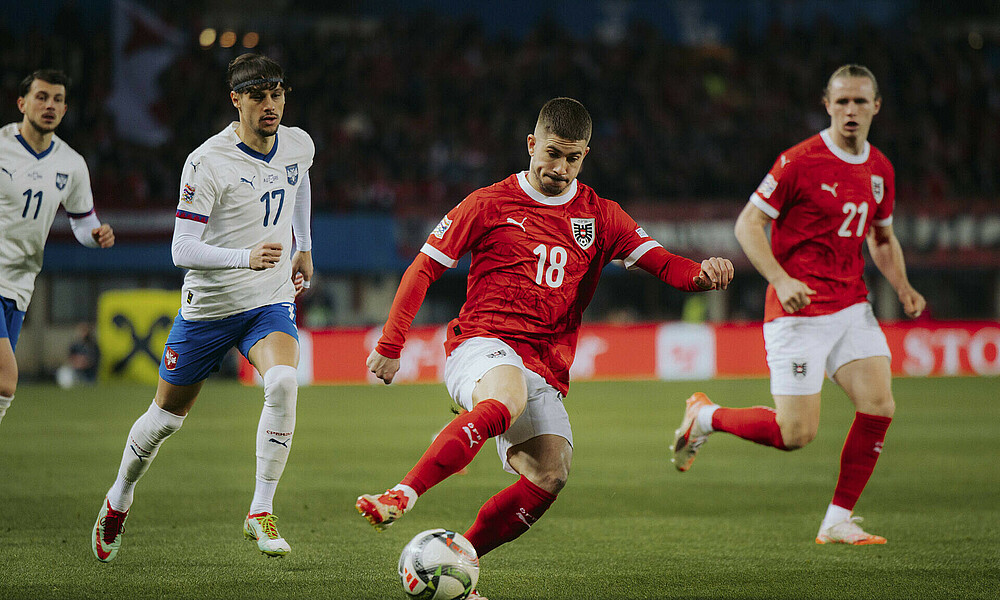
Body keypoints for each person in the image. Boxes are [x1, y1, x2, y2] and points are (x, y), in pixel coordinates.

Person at [357, 97, 734, 597]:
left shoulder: (599, 216)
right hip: (482, 340)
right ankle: (403, 494)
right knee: (506, 398)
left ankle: (454, 563)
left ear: (585, 156)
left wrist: (703, 274)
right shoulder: (489, 203)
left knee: (550, 473)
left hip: (546, 361)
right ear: (532, 144)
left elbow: (663, 263)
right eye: (552, 154)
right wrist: (391, 341)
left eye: (572, 158)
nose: (559, 168)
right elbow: (425, 267)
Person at [671, 64, 926, 545]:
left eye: (860, 101)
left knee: (879, 405)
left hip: (852, 305)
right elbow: (747, 225)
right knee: (796, 434)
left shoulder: (880, 169)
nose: (851, 110)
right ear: (827, 105)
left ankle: (837, 520)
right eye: (842, 101)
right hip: (797, 311)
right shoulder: (798, 162)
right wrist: (780, 277)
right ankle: (705, 416)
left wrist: (904, 285)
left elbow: (883, 238)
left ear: (876, 107)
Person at [92, 53, 315, 562]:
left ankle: (260, 510)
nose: (270, 104)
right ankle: (119, 497)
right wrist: (245, 256)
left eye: (277, 93)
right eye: (258, 95)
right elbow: (181, 249)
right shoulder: (207, 161)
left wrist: (304, 245)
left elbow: (300, 182)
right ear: (235, 99)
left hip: (269, 301)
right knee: (165, 420)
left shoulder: (299, 144)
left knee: (282, 382)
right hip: (210, 307)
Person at [0, 69, 115, 426]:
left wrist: (95, 235)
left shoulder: (72, 164)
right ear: (22, 103)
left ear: (65, 110)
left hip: (19, 285)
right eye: (41, 97)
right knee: (6, 381)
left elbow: (82, 222)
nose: (50, 105)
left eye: (58, 100)